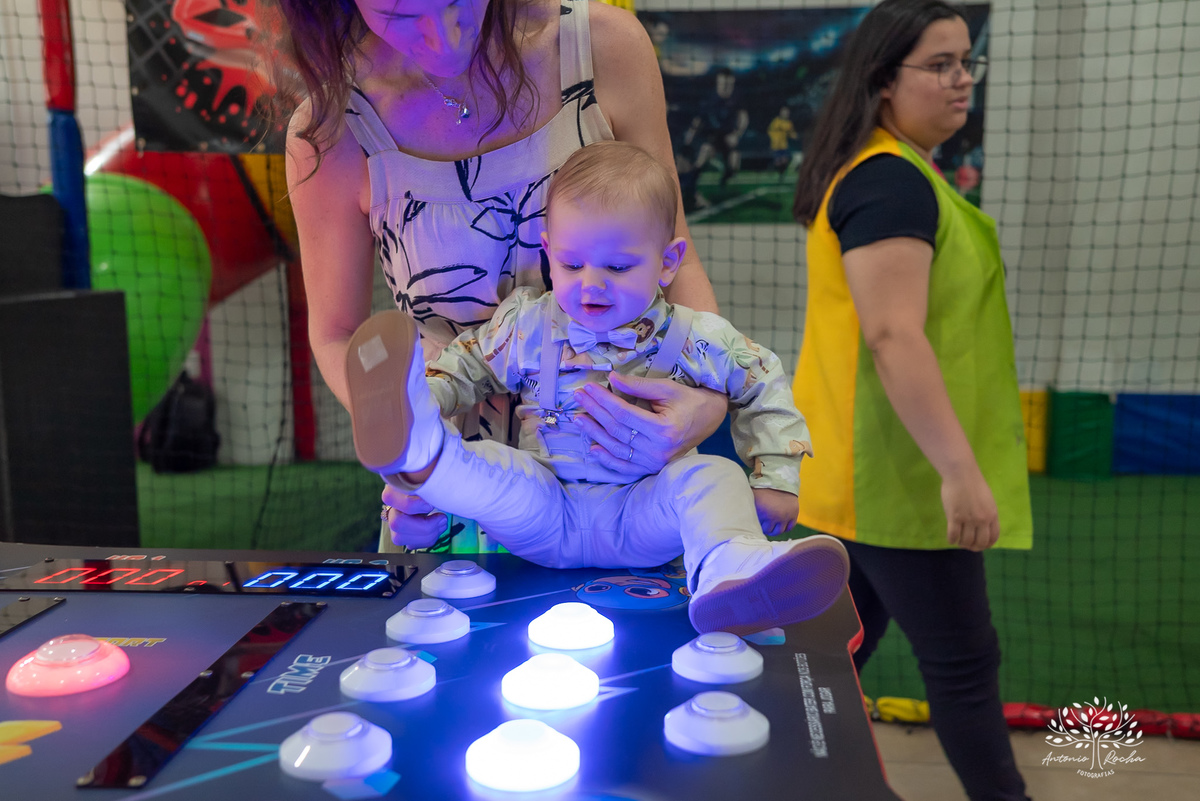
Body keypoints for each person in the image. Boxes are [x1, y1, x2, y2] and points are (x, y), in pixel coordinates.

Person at [344, 140, 850, 634]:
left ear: (668, 261)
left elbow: (763, 379)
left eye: (618, 266)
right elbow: (464, 365)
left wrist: (775, 476)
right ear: (548, 252)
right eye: (572, 264)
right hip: (545, 506)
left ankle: (728, 568)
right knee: (491, 466)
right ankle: (422, 446)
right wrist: (429, 396)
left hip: (642, 511)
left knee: (715, 478)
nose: (591, 284)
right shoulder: (527, 323)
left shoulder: (697, 336)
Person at [276, 0, 728, 552]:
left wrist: (708, 399)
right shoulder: (331, 128)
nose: (443, 38)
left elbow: (676, 262)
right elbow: (336, 332)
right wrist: (409, 443)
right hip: (460, 478)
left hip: (624, 455)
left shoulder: (601, 48)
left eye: (457, 0)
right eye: (400, 14)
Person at [790, 1, 1032, 800]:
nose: (963, 79)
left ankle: (765, 772)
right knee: (962, 664)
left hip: (857, 478)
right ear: (884, 81)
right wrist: (958, 471)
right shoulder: (889, 181)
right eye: (941, 64)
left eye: (968, 61)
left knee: (826, 659)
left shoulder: (897, 170)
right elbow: (893, 335)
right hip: (894, 480)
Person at [766, 106, 798, 179]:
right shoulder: (775, 122)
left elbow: (791, 133)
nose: (786, 114)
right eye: (784, 112)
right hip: (775, 146)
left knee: (784, 160)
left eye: (787, 112)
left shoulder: (789, 123)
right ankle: (772, 171)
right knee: (777, 161)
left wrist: (795, 136)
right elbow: (770, 131)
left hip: (784, 145)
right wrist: (774, 138)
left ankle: (782, 175)